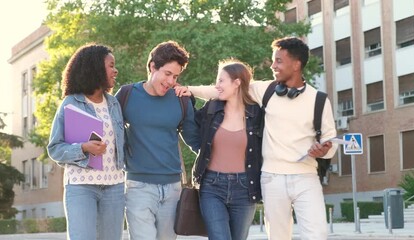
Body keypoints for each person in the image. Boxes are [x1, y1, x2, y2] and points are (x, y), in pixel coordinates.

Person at [177, 37, 338, 240]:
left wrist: (324, 150)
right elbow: (223, 89)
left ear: (296, 64)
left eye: (279, 61)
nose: (273, 65)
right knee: (278, 236)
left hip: (306, 176)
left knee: (317, 234)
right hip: (272, 177)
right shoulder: (266, 90)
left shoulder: (319, 100)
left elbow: (330, 139)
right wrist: (189, 90)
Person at [114, 41, 200, 240]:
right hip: (138, 187)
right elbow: (109, 133)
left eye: (176, 76)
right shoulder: (127, 95)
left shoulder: (181, 99)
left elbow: (195, 141)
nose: (171, 81)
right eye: (167, 74)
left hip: (173, 189)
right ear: (152, 67)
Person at [47, 43, 125, 240]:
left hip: (114, 185)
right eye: (111, 65)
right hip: (81, 186)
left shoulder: (114, 103)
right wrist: (83, 148)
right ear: (95, 68)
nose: (115, 70)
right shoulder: (71, 103)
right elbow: (55, 149)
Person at [191, 59, 263, 240]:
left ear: (237, 82)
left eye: (221, 80)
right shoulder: (212, 108)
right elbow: (189, 125)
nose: (217, 86)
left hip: (245, 187)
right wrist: (187, 91)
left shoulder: (256, 114)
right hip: (211, 186)